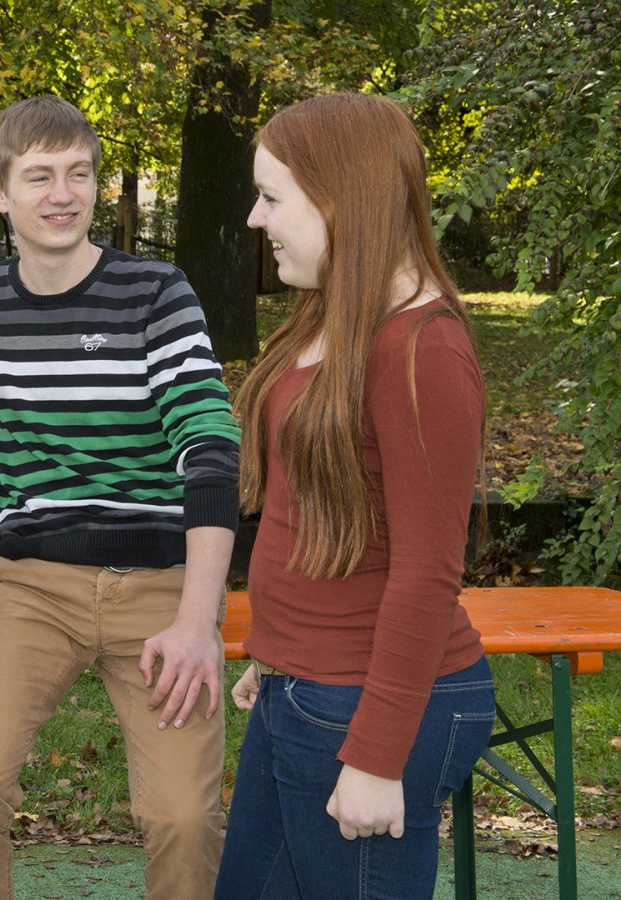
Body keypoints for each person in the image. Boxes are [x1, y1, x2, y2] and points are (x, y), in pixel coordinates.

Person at [0, 95, 240, 899]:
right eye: (39, 176)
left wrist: (199, 622)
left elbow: (209, 453)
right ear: (1, 193)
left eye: (79, 173)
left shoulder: (157, 293)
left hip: (162, 587)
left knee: (181, 817)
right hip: (32, 586)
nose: (62, 193)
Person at [214, 92, 495, 899]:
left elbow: (427, 570)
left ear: (341, 198)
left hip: (370, 710)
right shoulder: (331, 317)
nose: (253, 218)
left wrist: (376, 756)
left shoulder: (422, 351)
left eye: (271, 197)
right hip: (299, 688)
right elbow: (315, 508)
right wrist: (279, 646)